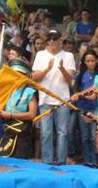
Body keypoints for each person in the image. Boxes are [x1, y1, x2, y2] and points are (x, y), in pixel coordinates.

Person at [31, 28, 76, 165]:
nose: (52, 41)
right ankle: (47, 161)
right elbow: (35, 78)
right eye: (49, 39)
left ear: (60, 40)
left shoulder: (68, 56)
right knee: (46, 132)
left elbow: (70, 81)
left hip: (62, 99)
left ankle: (61, 161)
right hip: (45, 98)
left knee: (63, 132)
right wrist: (48, 69)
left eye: (54, 38)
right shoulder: (40, 55)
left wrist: (61, 68)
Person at [0, 59, 38, 159]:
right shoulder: (8, 91)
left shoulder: (29, 92)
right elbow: (2, 109)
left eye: (19, 74)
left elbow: (32, 114)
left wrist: (11, 115)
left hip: (22, 132)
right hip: (8, 129)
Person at [73, 49, 98, 166]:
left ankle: (95, 160)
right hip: (83, 108)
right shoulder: (81, 75)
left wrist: (85, 95)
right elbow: (76, 89)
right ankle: (87, 160)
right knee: (84, 136)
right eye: (88, 61)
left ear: (97, 61)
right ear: (84, 61)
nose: (90, 63)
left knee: (93, 136)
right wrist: (82, 95)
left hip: (95, 109)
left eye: (93, 60)